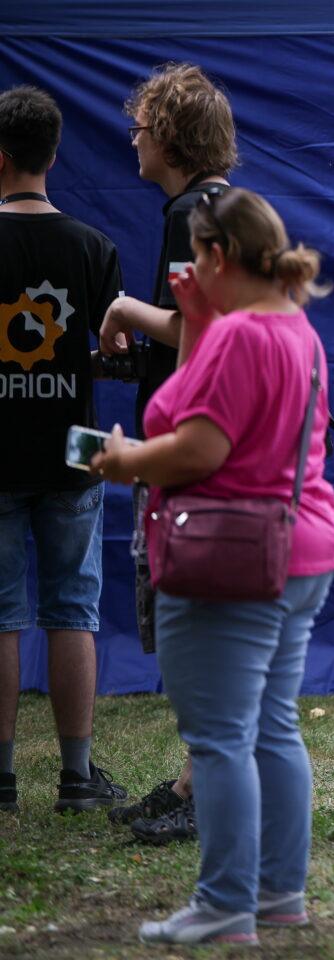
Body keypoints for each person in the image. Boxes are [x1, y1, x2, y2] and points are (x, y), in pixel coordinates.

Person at [91, 188, 334, 946]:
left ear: (217, 255)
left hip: (230, 555)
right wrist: (200, 323)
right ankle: (277, 894)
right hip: (300, 547)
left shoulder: (240, 338)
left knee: (219, 738)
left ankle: (225, 901)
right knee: (271, 727)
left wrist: (127, 460)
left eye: (196, 256)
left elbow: (203, 445)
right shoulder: (295, 328)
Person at [98, 62, 237, 844]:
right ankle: (194, 777)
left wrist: (121, 307)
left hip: (193, 449)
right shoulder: (223, 206)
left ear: (172, 136)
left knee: (187, 617)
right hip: (221, 446)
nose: (134, 138)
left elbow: (195, 333)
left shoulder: (191, 210)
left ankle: (205, 790)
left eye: (143, 125)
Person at [0, 86, 130, 815]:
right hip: (74, 448)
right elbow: (113, 349)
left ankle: (3, 781)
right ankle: (77, 780)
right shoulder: (94, 249)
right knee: (73, 609)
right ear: (54, 156)